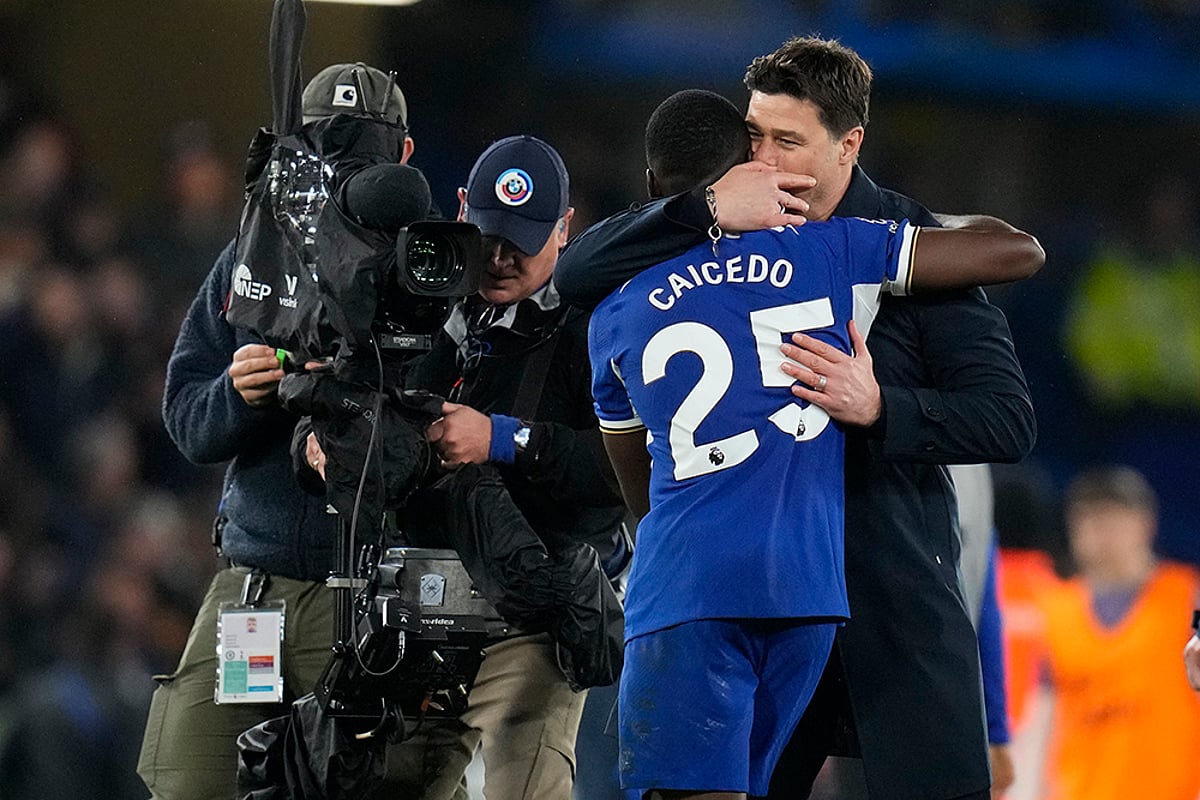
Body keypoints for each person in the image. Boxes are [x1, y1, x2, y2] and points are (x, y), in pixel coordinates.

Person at [556, 36, 1037, 800]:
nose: (767, 162)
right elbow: (578, 272)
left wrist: (880, 406)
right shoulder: (705, 227)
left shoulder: (907, 243)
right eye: (754, 138)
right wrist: (707, 207)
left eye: (789, 141)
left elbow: (1006, 421)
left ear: (849, 144)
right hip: (754, 602)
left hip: (889, 601)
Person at [305, 134, 629, 800]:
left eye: (525, 238)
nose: (503, 257)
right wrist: (321, 443)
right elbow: (346, 414)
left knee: (521, 787)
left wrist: (505, 439)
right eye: (489, 236)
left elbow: (630, 473)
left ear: (565, 229)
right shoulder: (418, 306)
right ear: (460, 212)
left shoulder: (598, 326)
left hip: (535, 610)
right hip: (423, 604)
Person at [135, 62, 419, 800]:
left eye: (361, 150)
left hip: (360, 594)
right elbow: (188, 421)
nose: (341, 167)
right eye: (329, 146)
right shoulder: (255, 255)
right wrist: (238, 394)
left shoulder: (425, 267)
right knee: (191, 780)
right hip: (251, 599)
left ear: (404, 159)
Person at [1031, 466, 1200, 800]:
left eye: (1113, 516)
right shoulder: (1055, 610)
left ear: (1145, 523)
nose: (1101, 529)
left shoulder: (1188, 596)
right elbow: (1044, 722)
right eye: (1088, 517)